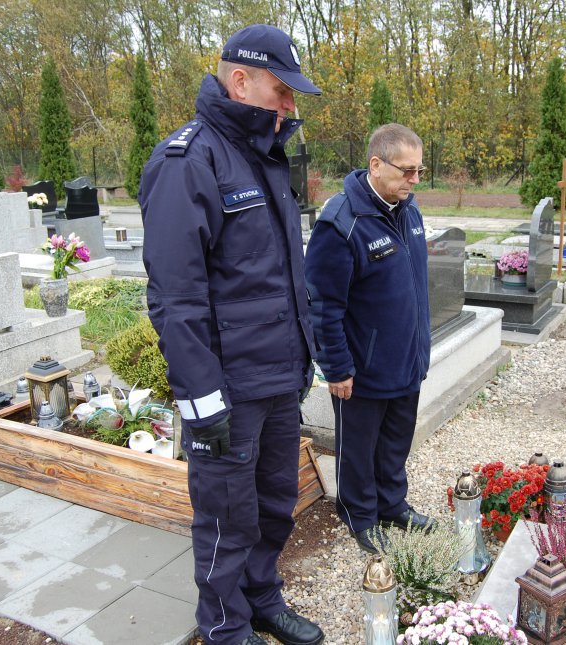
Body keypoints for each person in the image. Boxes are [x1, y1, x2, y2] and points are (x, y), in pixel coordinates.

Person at [139, 24, 324, 645]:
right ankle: (224, 626)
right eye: (282, 90)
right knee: (226, 518)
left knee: (274, 503)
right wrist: (202, 400)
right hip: (228, 389)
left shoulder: (262, 154)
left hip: (277, 378)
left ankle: (262, 599)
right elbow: (176, 299)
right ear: (239, 81)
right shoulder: (187, 162)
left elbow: (278, 275)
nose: (290, 105)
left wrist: (303, 360)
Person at [304, 123, 435, 554]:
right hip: (362, 368)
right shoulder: (342, 223)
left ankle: (392, 504)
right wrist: (337, 367)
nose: (415, 180)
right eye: (407, 171)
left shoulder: (408, 210)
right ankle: (360, 514)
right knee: (359, 449)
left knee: (396, 441)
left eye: (419, 170)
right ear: (376, 164)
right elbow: (324, 304)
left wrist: (420, 349)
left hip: (407, 359)